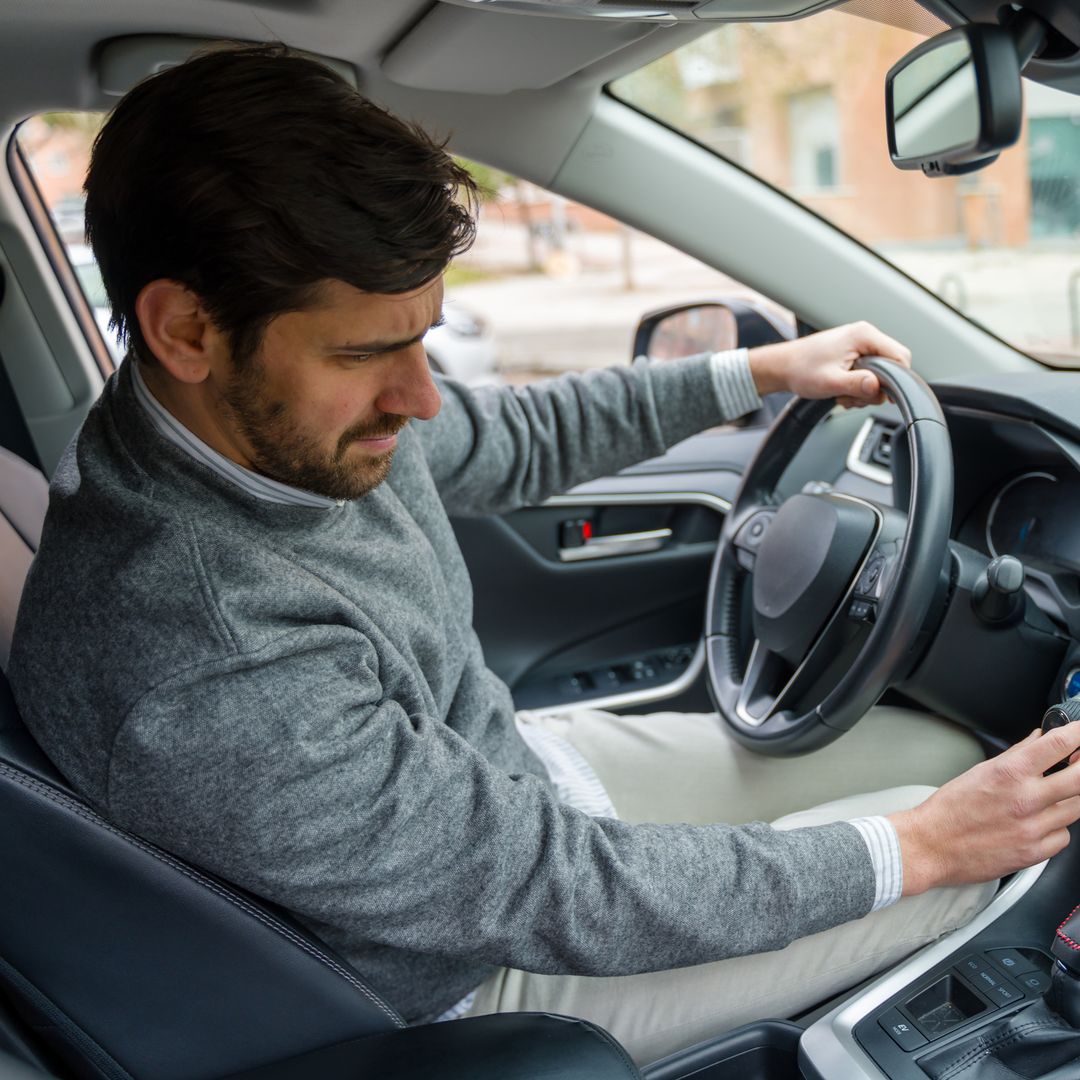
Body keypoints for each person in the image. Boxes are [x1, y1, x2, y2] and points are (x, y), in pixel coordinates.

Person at [10, 42, 1080, 1066]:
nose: (420, 398)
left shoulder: (255, 419)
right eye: (370, 353)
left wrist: (759, 373)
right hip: (469, 973)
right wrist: (925, 851)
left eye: (424, 337)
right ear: (185, 330)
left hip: (514, 796)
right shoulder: (205, 654)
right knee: (975, 869)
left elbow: (510, 438)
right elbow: (552, 890)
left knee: (942, 761)